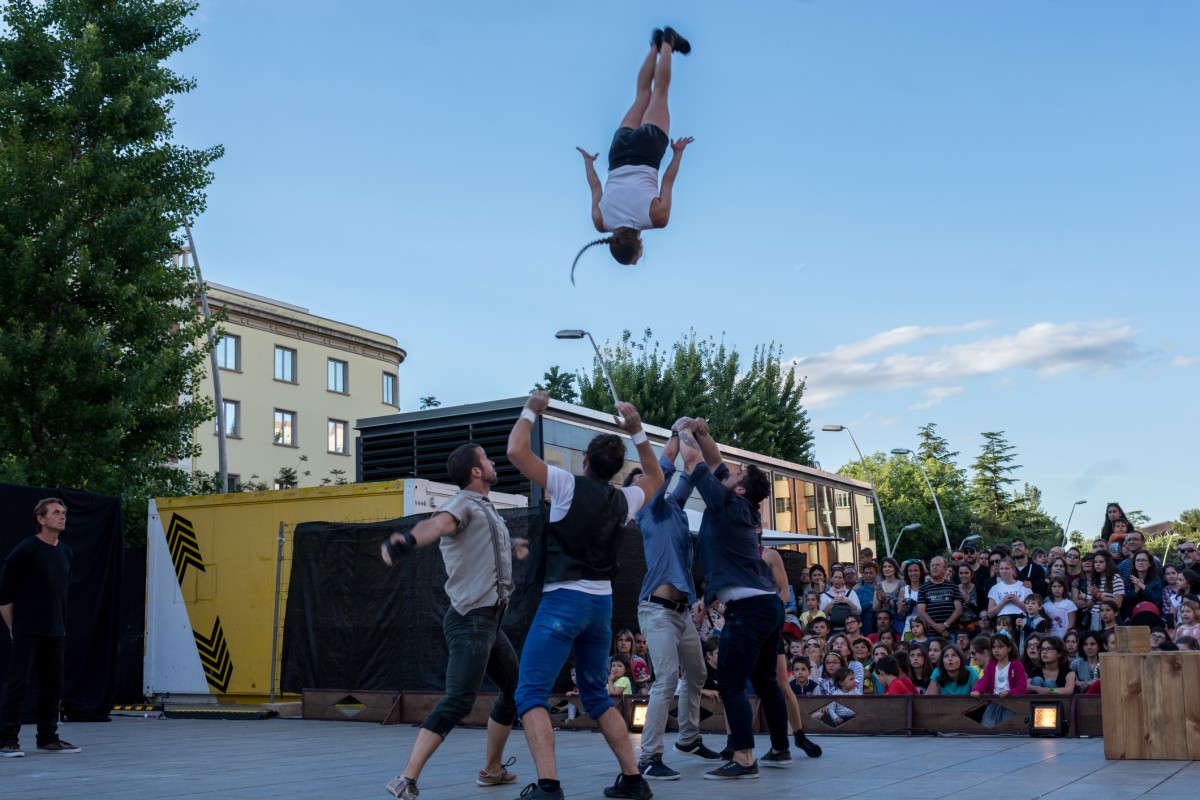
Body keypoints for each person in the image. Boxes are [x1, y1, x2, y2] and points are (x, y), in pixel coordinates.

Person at [506, 391, 663, 800]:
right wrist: (637, 431)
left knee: (530, 693)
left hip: (563, 602)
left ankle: (548, 787)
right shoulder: (625, 499)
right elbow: (657, 477)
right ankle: (633, 779)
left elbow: (516, 451)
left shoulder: (565, 485)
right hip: (600, 606)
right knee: (596, 695)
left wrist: (532, 409)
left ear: (586, 462)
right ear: (615, 470)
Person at [380, 444, 529, 799]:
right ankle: (405, 778)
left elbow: (482, 543)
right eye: (487, 458)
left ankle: (493, 770)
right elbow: (438, 524)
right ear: (476, 471)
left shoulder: (486, 509)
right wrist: (407, 540)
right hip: (470, 620)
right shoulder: (461, 503)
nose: (493, 462)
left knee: (514, 690)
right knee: (459, 700)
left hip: (489, 622)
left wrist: (512, 545)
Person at [675, 419, 792, 780]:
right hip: (768, 606)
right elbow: (714, 461)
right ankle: (780, 749)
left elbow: (694, 461)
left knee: (729, 682)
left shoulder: (725, 502)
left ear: (739, 488)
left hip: (750, 610)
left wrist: (682, 430)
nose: (730, 472)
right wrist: (704, 433)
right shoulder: (743, 505)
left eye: (737, 474)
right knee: (766, 681)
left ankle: (743, 758)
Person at [626, 424, 719, 781]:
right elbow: (664, 463)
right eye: (640, 479)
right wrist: (680, 428)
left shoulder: (675, 508)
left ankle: (688, 739)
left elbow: (690, 475)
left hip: (680, 614)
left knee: (697, 672)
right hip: (656, 611)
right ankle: (649, 756)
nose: (646, 480)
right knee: (666, 678)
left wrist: (696, 435)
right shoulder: (647, 509)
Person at [572, 27, 694, 283]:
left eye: (638, 254)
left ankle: (668, 42)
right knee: (642, 95)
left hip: (648, 150)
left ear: (638, 244)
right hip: (618, 152)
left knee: (660, 93)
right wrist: (589, 163)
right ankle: (654, 45)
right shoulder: (601, 222)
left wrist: (678, 154)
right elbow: (595, 186)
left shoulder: (657, 219)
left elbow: (668, 181)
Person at [0, 498, 80, 758]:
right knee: (18, 684)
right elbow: (4, 595)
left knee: (53, 685)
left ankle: (47, 738)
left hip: (55, 630)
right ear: (41, 519)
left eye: (64, 512)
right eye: (56, 512)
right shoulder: (26, 551)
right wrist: (13, 628)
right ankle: (7, 740)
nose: (62, 516)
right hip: (27, 629)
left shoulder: (65, 552)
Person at [761, 540, 823, 759]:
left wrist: (772, 611)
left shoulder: (768, 555)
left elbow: (785, 591)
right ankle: (734, 743)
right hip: (746, 626)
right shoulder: (734, 554)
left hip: (768, 624)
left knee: (783, 684)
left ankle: (799, 734)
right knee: (736, 686)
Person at [917, 556, 963, 641]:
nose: (934, 567)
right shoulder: (923, 588)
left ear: (945, 569)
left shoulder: (953, 586)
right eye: (932, 565)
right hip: (931, 633)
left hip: (951, 632)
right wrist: (937, 627)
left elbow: (959, 610)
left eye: (938, 565)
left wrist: (945, 625)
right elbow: (921, 611)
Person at [986, 559, 1031, 629]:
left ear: (1013, 570)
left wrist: (1016, 602)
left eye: (1007, 568)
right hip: (1002, 622)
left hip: (1020, 620)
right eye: (1001, 568)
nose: (1004, 571)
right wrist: (1003, 602)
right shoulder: (994, 588)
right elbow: (990, 614)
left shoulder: (1024, 586)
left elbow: (1031, 610)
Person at [819, 568, 861, 634]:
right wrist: (831, 603)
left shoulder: (851, 593)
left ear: (843, 580)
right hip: (831, 629)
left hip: (849, 629)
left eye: (840, 577)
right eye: (835, 577)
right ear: (831, 579)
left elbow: (859, 611)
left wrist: (848, 601)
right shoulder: (825, 595)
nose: (837, 579)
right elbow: (822, 615)